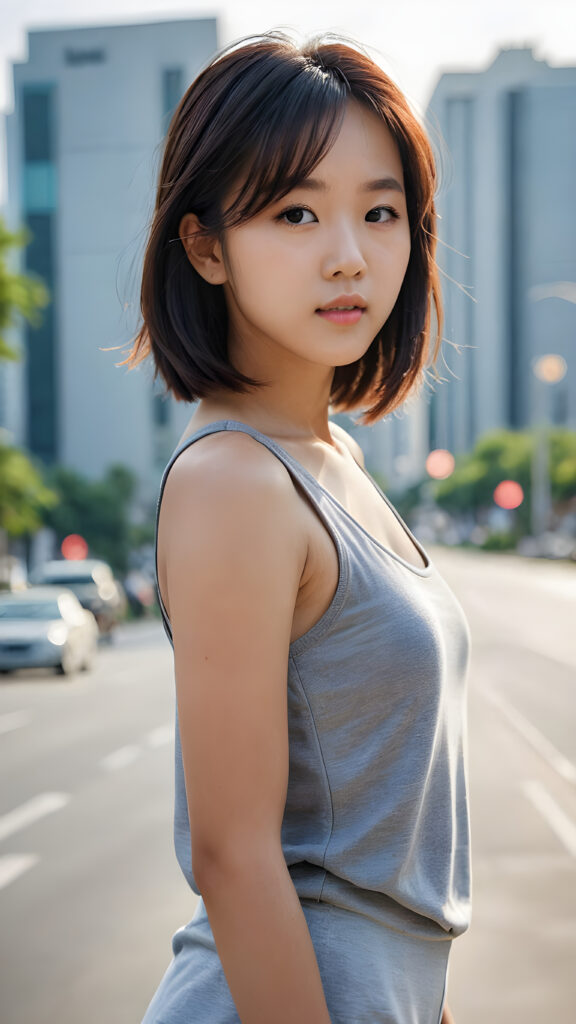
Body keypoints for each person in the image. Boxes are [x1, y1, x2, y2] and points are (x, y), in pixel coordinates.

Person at [125, 31, 472, 1024]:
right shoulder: (235, 479)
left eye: (380, 211)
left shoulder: (332, 459)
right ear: (205, 245)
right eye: (295, 212)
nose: (349, 254)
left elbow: (385, 854)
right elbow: (236, 858)